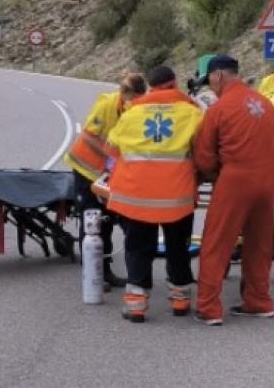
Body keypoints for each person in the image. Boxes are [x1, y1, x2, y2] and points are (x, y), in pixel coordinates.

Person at [105, 66, 203, 323]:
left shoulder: (132, 113)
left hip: (136, 196)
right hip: (177, 197)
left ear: (150, 87)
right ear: (174, 85)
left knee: (138, 248)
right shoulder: (192, 113)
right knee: (178, 248)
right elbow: (204, 153)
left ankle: (136, 305)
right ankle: (180, 300)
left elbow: (112, 150)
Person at [192, 55, 274, 326]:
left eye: (210, 82)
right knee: (260, 243)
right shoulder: (264, 103)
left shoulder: (220, 109)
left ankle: (209, 308)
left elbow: (204, 158)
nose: (211, 88)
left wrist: (207, 173)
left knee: (216, 243)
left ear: (217, 75)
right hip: (266, 182)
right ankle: (259, 301)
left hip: (235, 179)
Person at [63, 72, 146, 290]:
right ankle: (93, 274)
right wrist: (112, 155)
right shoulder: (106, 104)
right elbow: (89, 135)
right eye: (132, 99)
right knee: (92, 221)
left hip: (108, 174)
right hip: (86, 169)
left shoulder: (134, 106)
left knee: (107, 221)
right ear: (124, 93)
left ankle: (105, 271)